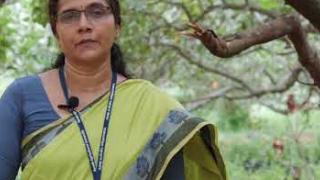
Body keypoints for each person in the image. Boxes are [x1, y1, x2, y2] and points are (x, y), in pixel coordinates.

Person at [0, 0, 226, 179]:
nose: (84, 24)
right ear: (56, 32)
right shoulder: (21, 96)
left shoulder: (155, 109)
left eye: (97, 11)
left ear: (117, 26)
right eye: (69, 16)